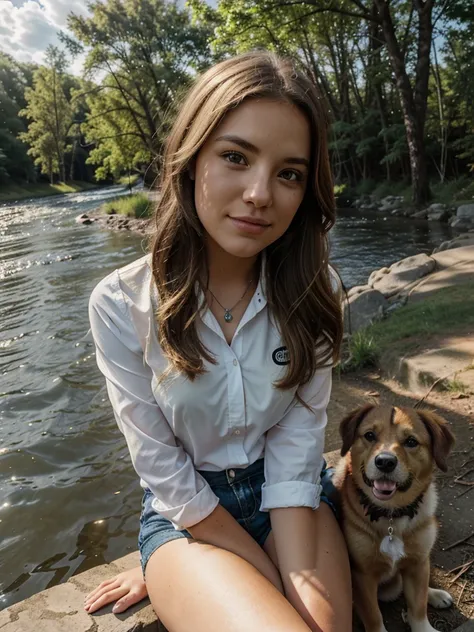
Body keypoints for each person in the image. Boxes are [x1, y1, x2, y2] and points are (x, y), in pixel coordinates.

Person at [85, 50, 352, 632]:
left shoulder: (317, 289)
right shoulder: (120, 304)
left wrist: (288, 579)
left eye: (289, 173)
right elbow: (161, 468)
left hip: (292, 498)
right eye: (236, 156)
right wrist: (247, 575)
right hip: (186, 518)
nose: (261, 193)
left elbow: (297, 440)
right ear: (191, 158)